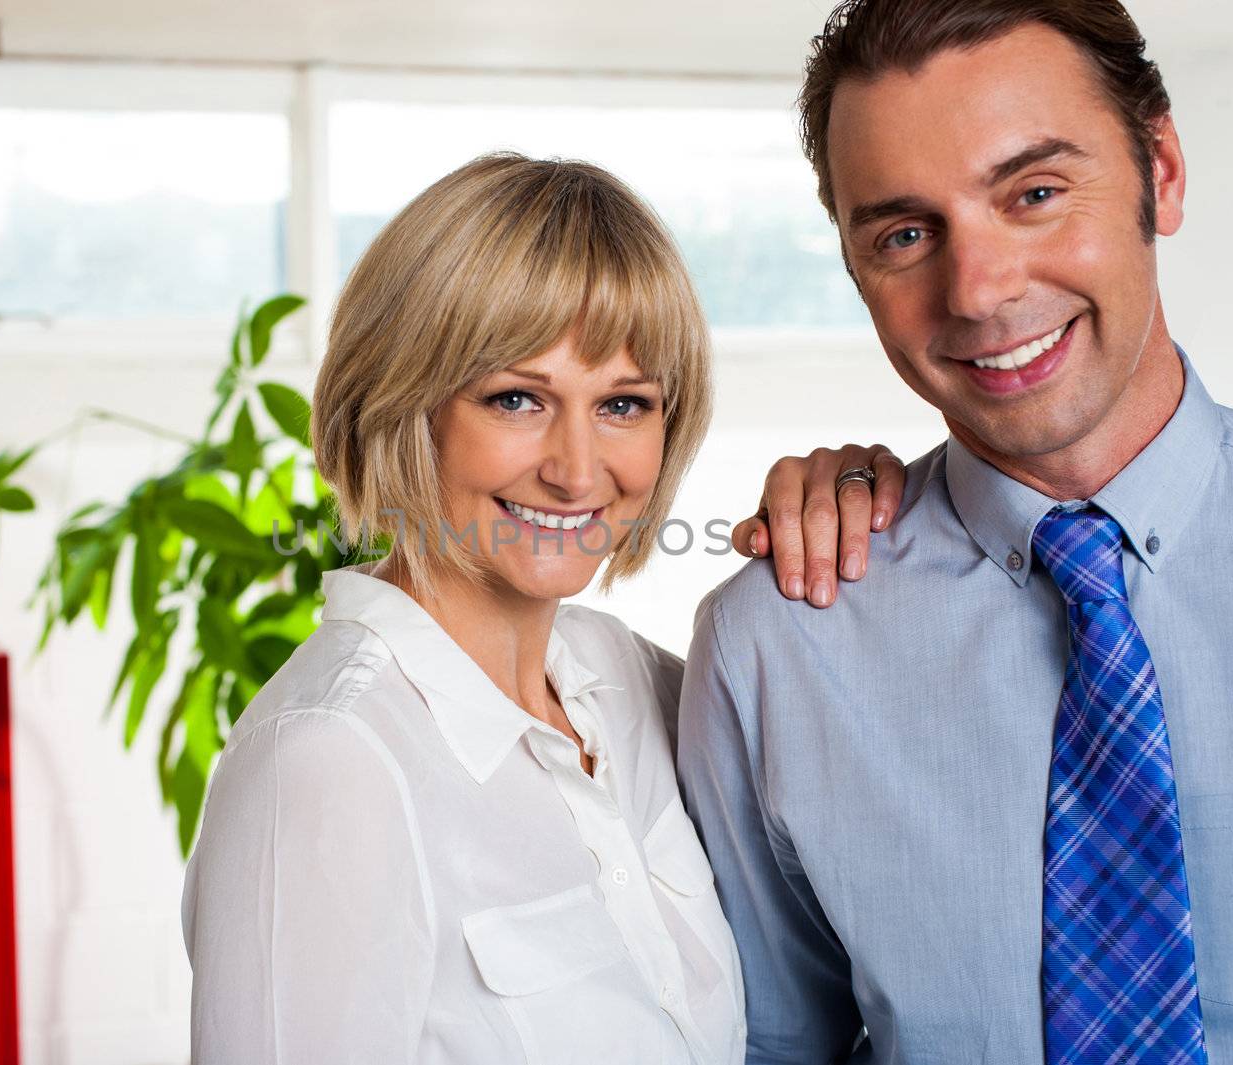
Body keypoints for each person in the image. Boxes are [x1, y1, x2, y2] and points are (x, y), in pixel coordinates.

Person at [681, 0, 1233, 1062]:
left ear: (1163, 171)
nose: (979, 291)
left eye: (1036, 194)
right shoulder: (776, 646)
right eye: (906, 234)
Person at [181, 152, 894, 1065]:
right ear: (404, 405)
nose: (576, 468)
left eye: (624, 404)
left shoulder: (632, 681)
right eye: (517, 397)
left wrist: (861, 507)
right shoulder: (328, 759)